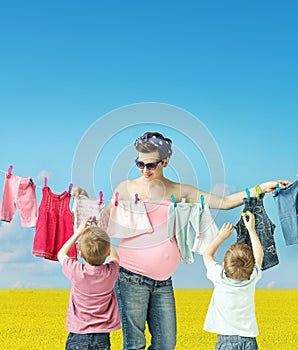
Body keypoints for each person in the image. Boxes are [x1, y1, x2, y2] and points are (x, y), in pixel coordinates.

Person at [73, 131, 290, 350]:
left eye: (151, 165)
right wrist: (82, 199)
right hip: (130, 278)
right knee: (135, 344)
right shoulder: (126, 188)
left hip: (163, 281)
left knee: (166, 344)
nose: (144, 170)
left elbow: (223, 202)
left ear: (165, 161)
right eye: (140, 164)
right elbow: (102, 223)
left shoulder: (180, 191)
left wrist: (261, 188)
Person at [57, 217, 121, 350]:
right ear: (107, 252)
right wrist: (104, 235)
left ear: (80, 253)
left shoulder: (77, 271)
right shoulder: (111, 272)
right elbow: (115, 258)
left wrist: (78, 233)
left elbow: (61, 254)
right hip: (102, 337)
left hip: (77, 335)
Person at [202, 212, 263, 349]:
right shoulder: (252, 277)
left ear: (224, 266)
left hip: (225, 341)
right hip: (250, 341)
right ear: (251, 266)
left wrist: (220, 237)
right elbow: (259, 254)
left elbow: (207, 254)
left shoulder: (219, 277)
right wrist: (251, 230)